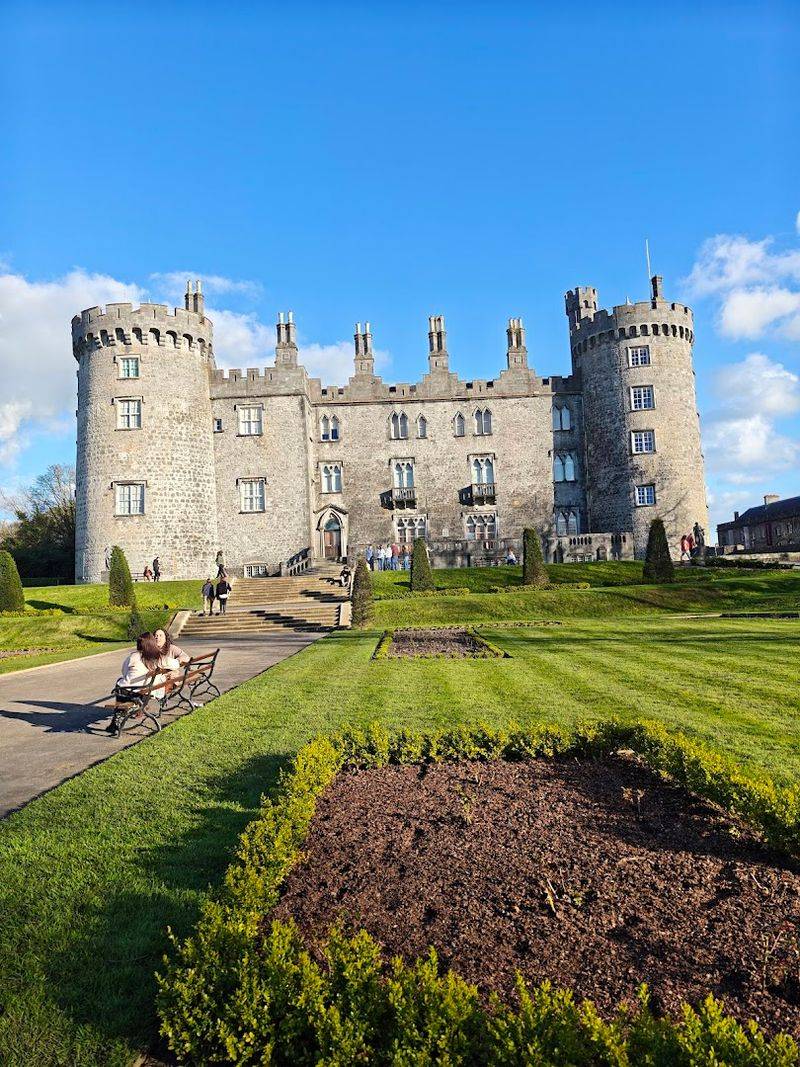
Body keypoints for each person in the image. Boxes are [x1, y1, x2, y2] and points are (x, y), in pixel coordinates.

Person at [106, 632, 171, 733]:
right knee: (122, 686)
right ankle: (116, 720)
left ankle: (116, 720)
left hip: (131, 694)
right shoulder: (158, 657)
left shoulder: (134, 656)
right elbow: (175, 664)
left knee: (120, 683)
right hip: (145, 694)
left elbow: (124, 672)